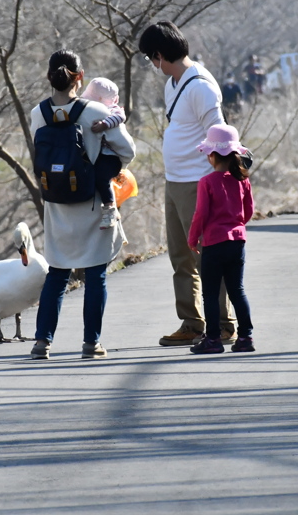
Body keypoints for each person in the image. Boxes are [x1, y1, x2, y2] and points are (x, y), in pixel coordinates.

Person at [29, 50, 136, 361]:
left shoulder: (38, 113)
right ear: (80, 77)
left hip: (57, 205)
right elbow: (127, 150)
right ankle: (91, 343)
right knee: (95, 274)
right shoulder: (92, 112)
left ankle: (42, 342)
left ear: (49, 76)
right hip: (91, 203)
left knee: (57, 274)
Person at [138, 20, 236, 347]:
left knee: (206, 256)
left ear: (160, 54)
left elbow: (219, 136)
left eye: (152, 59)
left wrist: (218, 184)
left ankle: (222, 324)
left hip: (199, 182)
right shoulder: (173, 84)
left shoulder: (201, 86)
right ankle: (193, 322)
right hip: (174, 181)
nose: (153, 65)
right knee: (180, 256)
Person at [187, 124, 255, 354]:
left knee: (211, 293)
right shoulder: (243, 180)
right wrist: (236, 226)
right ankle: (246, 337)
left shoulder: (207, 182)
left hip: (214, 243)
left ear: (213, 155)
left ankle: (213, 339)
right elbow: (248, 211)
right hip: (237, 242)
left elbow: (201, 214)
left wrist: (193, 237)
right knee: (237, 289)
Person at [80, 77, 128, 230]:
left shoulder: (112, 109)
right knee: (95, 177)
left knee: (101, 178)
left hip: (111, 156)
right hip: (100, 155)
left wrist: (104, 124)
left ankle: (110, 209)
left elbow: (121, 116)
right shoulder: (85, 109)